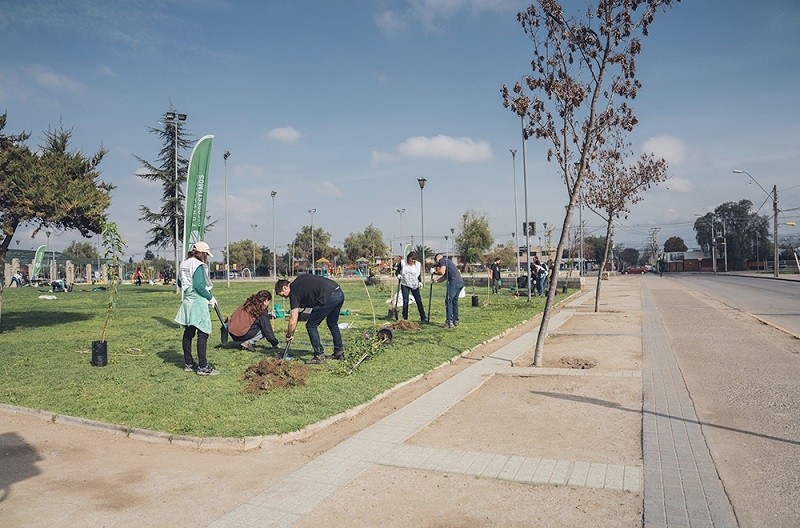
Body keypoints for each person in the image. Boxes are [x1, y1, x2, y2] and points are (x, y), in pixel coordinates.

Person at [275, 274, 345, 364]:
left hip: (328, 297)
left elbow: (293, 320)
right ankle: (339, 352)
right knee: (332, 323)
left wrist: (288, 335)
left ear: (285, 288)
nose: (285, 298)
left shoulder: (294, 292)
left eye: (283, 295)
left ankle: (319, 355)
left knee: (311, 325)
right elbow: (310, 295)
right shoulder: (299, 280)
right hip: (338, 292)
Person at [175, 241, 219, 376]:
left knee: (189, 332)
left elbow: (179, 282)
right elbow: (200, 286)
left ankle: (188, 363)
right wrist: (210, 297)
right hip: (198, 301)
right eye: (206, 254)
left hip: (187, 299)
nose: (206, 257)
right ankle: (203, 367)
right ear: (202, 253)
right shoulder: (198, 265)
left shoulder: (184, 263)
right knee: (203, 333)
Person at [433, 253, 464, 329]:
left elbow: (442, 272)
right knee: (454, 301)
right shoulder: (448, 262)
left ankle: (449, 321)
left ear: (437, 258)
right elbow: (444, 276)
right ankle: (455, 320)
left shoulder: (442, 260)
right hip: (460, 282)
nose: (438, 264)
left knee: (448, 300)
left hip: (454, 282)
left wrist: (434, 272)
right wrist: (436, 281)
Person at [396, 251, 427, 322]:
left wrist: (420, 282)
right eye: (411, 259)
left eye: (414, 259)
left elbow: (418, 274)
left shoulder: (418, 265)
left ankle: (423, 317)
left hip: (414, 284)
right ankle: (405, 318)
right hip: (405, 284)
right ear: (408, 258)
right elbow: (397, 271)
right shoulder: (403, 263)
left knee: (418, 300)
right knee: (405, 301)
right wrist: (398, 275)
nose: (412, 261)